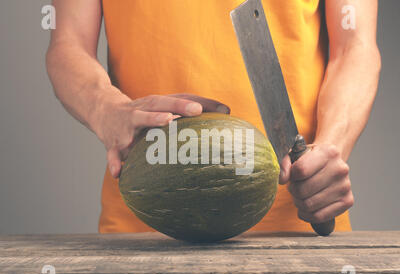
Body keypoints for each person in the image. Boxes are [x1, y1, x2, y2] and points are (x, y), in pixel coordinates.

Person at [46, 0, 381, 234]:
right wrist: (104, 107)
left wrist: (331, 146)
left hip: (296, 233)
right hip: (145, 235)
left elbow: (355, 47)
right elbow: (68, 41)